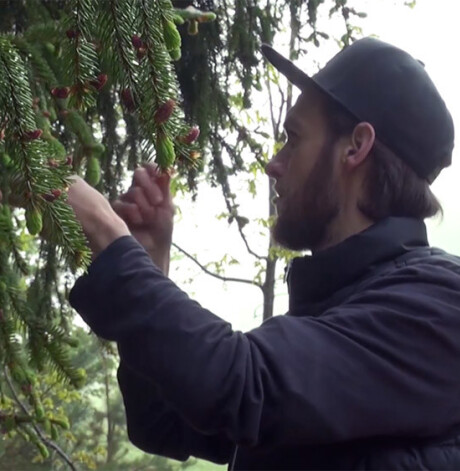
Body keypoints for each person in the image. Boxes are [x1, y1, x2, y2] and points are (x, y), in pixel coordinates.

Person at [65, 37, 460, 469]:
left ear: (356, 146)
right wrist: (150, 261)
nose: (274, 162)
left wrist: (104, 228)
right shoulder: (334, 309)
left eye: (293, 138)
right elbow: (163, 421)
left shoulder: (439, 305)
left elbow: (244, 385)